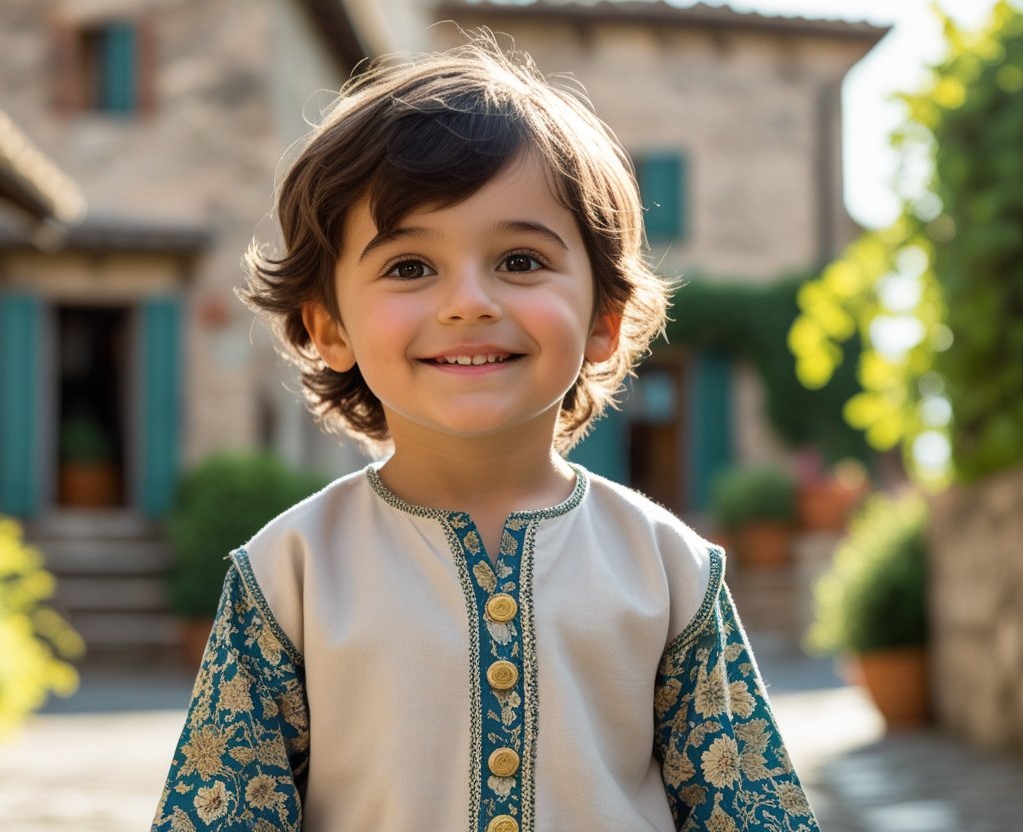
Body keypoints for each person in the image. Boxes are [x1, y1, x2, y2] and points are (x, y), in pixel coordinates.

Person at [152, 33, 819, 832]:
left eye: (520, 261)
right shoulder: (287, 575)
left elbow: (752, 814)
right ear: (329, 326)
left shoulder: (668, 568)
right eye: (408, 267)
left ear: (604, 320)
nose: (468, 301)